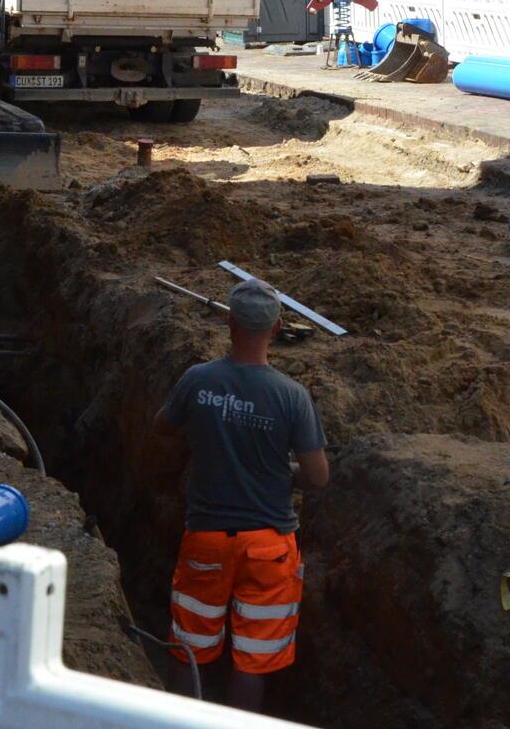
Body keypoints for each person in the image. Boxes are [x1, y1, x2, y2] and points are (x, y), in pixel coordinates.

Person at [157, 280, 329, 712]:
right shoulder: (292, 396)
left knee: (189, 649)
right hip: (270, 548)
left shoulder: (198, 380)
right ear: (275, 328)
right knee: (253, 660)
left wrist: (209, 437)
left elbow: (162, 426)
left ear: (230, 324)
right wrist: (282, 470)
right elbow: (317, 477)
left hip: (207, 541)